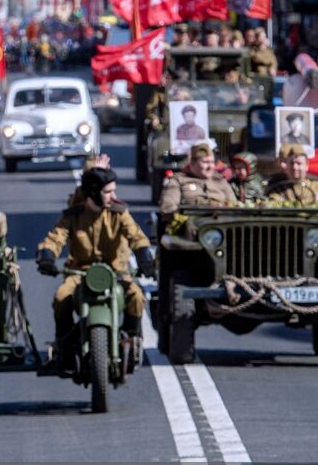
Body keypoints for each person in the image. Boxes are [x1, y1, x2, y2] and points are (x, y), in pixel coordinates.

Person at [36, 166, 154, 372]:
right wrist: (47, 256)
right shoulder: (74, 215)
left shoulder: (119, 213)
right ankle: (63, 348)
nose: (113, 196)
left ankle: (132, 340)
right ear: (92, 192)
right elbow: (55, 237)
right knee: (61, 298)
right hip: (80, 272)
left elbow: (136, 236)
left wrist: (145, 257)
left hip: (115, 272)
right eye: (108, 192)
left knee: (136, 297)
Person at [159, 143, 239, 214]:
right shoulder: (178, 180)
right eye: (205, 162)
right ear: (192, 163)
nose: (210, 166)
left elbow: (234, 206)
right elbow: (168, 208)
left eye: (212, 162)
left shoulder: (220, 180)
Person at [264, 144, 318, 213]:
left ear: (306, 165)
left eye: (299, 163)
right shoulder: (277, 186)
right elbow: (271, 203)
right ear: (286, 166)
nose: (295, 167)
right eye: (291, 163)